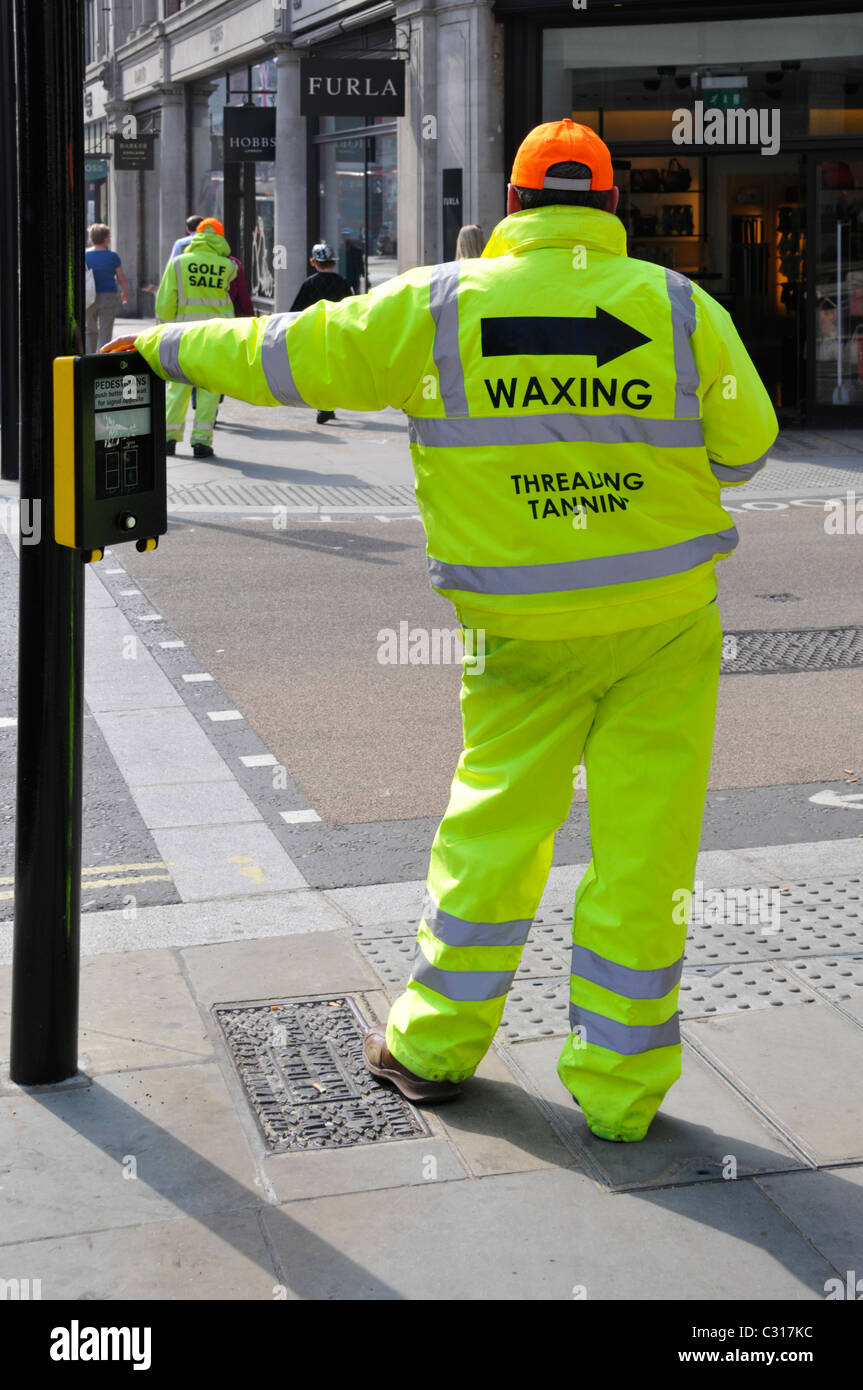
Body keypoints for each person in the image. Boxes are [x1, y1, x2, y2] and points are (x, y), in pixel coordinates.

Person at [102, 120, 778, 1143]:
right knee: (647, 854)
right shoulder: (678, 308)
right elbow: (747, 447)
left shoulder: (437, 303)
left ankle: (431, 1046)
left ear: (511, 207)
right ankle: (619, 1092)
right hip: (663, 619)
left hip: (517, 627)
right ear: (609, 208)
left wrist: (154, 344)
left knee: (492, 833)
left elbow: (280, 355)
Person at [155, 215, 236, 458]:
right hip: (215, 335)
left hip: (183, 334)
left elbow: (165, 305)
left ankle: (168, 439)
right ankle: (201, 443)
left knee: (178, 387)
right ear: (220, 238)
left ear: (197, 235)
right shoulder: (229, 267)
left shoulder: (178, 264)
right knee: (209, 389)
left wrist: (168, 322)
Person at [290, 242, 354, 424]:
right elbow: (351, 307)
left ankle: (323, 405)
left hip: (314, 333)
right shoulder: (342, 283)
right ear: (333, 262)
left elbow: (296, 310)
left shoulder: (309, 284)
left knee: (318, 370)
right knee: (333, 369)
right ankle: (329, 405)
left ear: (313, 262)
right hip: (335, 332)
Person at [85, 224, 128, 352]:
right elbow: (121, 277)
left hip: (89, 296)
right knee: (106, 330)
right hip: (108, 296)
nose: (109, 238)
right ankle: (102, 356)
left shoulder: (85, 255)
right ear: (105, 238)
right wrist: (124, 293)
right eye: (108, 236)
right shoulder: (113, 257)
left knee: (89, 329)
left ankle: (89, 355)